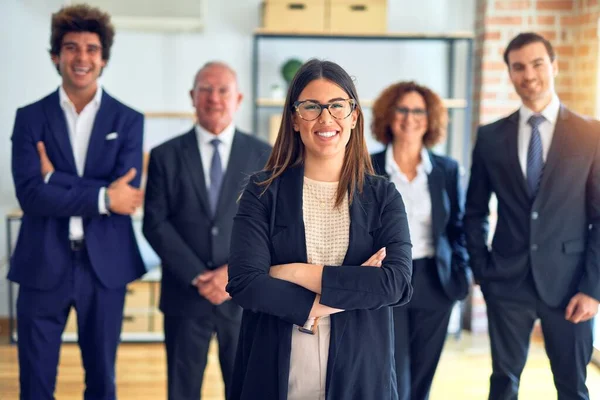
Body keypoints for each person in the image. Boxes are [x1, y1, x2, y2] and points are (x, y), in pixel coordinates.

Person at [225, 59, 413, 400]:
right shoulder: (262, 191)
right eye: (311, 107)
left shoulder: (383, 195)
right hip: (277, 370)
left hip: (361, 373)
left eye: (337, 106)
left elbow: (395, 284)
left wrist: (291, 272)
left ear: (354, 117)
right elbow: (245, 284)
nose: (326, 118)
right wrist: (347, 292)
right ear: (295, 119)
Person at [9, 4, 146, 399]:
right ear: (56, 56)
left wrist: (55, 178)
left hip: (104, 266)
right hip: (41, 262)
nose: (81, 58)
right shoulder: (29, 118)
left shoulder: (128, 120)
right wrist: (103, 195)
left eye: (90, 48)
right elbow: (31, 196)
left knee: (102, 380)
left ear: (103, 59)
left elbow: (128, 195)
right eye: (71, 48)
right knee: (35, 381)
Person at [465, 32, 600, 400]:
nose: (529, 74)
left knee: (573, 386)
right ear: (510, 73)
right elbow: (474, 211)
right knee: (504, 383)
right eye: (518, 67)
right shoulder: (491, 137)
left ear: (553, 66)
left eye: (537, 64)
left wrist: (593, 288)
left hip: (571, 285)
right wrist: (483, 270)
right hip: (506, 282)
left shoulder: (591, 134)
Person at [142, 61, 271, 400]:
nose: (214, 98)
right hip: (186, 295)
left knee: (245, 388)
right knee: (182, 390)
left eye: (223, 90)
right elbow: (154, 222)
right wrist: (199, 276)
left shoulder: (265, 156)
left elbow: (272, 225)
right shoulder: (164, 155)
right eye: (206, 89)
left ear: (238, 98)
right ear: (192, 96)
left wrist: (232, 273)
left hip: (244, 296)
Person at [370, 81, 471, 400]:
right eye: (402, 109)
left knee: (423, 376)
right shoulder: (366, 166)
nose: (409, 117)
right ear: (388, 115)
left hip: (435, 281)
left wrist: (461, 270)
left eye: (418, 111)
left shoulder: (446, 170)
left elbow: (458, 227)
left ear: (430, 120)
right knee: (393, 371)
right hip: (386, 280)